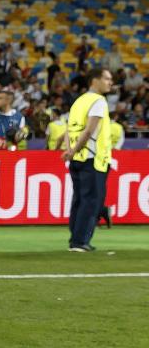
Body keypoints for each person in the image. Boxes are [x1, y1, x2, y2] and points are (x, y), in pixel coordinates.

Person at [62, 68, 114, 252]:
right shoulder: (98, 101)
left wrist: (69, 151)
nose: (110, 82)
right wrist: (73, 150)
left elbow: (68, 129)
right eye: (107, 78)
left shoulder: (79, 101)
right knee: (91, 200)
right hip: (93, 159)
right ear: (95, 80)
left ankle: (74, 238)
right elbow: (89, 131)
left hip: (77, 159)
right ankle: (80, 241)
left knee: (79, 199)